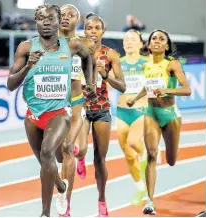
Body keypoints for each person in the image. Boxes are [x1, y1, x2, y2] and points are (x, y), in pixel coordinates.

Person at [7, 4, 96, 217]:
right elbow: (10, 84)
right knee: (46, 164)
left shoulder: (72, 45)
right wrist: (28, 66)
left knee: (49, 152)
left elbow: (88, 58)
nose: (46, 22)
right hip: (33, 117)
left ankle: (45, 214)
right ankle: (60, 185)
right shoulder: (25, 48)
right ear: (35, 22)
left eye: (50, 18)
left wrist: (90, 83)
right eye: (40, 18)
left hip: (60, 113)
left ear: (58, 21)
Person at [127, 29, 191, 215]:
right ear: (148, 45)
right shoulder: (146, 66)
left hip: (170, 114)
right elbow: (148, 87)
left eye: (161, 39)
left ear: (167, 45)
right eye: (153, 38)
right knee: (152, 154)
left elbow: (186, 90)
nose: (156, 41)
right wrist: (136, 98)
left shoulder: (172, 64)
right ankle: (150, 201)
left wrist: (168, 91)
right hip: (151, 112)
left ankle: (170, 150)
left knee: (171, 161)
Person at [76, 13, 126, 216]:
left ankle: (102, 200)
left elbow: (122, 86)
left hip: (102, 111)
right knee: (80, 150)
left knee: (100, 160)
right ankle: (79, 158)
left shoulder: (111, 55)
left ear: (103, 32)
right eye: (89, 28)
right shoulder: (75, 53)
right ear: (84, 30)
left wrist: (105, 74)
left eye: (97, 28)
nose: (93, 31)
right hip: (80, 107)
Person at [54, 4, 96, 217]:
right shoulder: (46, 42)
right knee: (57, 154)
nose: (65, 17)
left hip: (76, 100)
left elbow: (90, 61)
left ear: (77, 21)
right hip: (53, 103)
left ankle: (65, 202)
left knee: (70, 148)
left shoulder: (81, 43)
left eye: (71, 15)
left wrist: (90, 84)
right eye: (62, 14)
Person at [117, 29, 149, 206]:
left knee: (134, 142)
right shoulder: (118, 63)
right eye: (126, 39)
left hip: (141, 110)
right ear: (123, 44)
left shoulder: (147, 62)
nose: (129, 42)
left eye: (133, 39)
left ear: (140, 43)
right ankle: (139, 187)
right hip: (122, 112)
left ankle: (147, 154)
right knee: (128, 156)